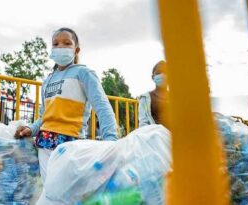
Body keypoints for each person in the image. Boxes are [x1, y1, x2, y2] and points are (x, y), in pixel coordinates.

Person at [14, 27, 118, 184]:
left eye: (66, 43)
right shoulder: (47, 81)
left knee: (69, 192)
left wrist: (110, 141)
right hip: (45, 143)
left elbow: (102, 106)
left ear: (76, 50)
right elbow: (44, 116)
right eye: (55, 44)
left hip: (71, 143)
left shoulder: (83, 73)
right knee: (51, 190)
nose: (60, 47)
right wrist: (31, 129)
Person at [138, 60, 169, 128]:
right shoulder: (145, 98)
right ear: (153, 77)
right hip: (154, 135)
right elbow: (143, 124)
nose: (162, 75)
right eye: (158, 72)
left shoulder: (176, 98)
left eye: (165, 72)